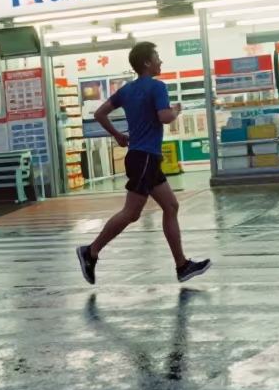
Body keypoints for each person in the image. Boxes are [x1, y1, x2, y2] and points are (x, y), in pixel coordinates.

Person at [77, 41, 211, 285]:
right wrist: (177, 110)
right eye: (157, 57)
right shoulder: (157, 87)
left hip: (141, 157)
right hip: (146, 157)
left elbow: (99, 113)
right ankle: (91, 251)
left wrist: (118, 135)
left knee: (170, 206)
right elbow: (165, 117)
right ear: (147, 62)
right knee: (131, 213)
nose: (160, 61)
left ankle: (182, 266)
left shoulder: (127, 90)